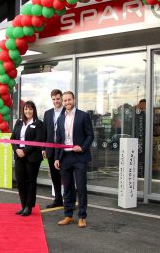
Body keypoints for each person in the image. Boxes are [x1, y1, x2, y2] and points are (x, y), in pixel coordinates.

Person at [54, 91, 94, 228]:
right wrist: (57, 158)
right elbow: (58, 140)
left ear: (74, 99)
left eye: (69, 100)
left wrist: (82, 147)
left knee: (81, 188)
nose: (67, 102)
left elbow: (90, 136)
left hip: (79, 157)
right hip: (65, 157)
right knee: (67, 189)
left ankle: (82, 216)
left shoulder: (83, 116)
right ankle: (68, 215)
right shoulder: (60, 118)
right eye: (64, 101)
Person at [11, 100, 45, 216]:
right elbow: (13, 138)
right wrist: (16, 149)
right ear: (23, 110)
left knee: (31, 182)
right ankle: (23, 205)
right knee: (20, 181)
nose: (28, 111)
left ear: (34, 110)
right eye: (26, 109)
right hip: (19, 156)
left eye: (30, 109)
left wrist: (24, 151)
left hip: (32, 157)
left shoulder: (39, 123)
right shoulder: (19, 122)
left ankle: (29, 207)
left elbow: (39, 140)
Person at [42, 89, 65, 208]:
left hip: (64, 150)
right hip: (51, 149)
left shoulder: (68, 111)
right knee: (55, 176)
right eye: (54, 99)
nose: (56, 101)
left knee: (66, 176)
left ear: (61, 98)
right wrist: (43, 148)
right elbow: (44, 132)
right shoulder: (48, 113)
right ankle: (58, 199)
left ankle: (69, 201)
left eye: (58, 99)